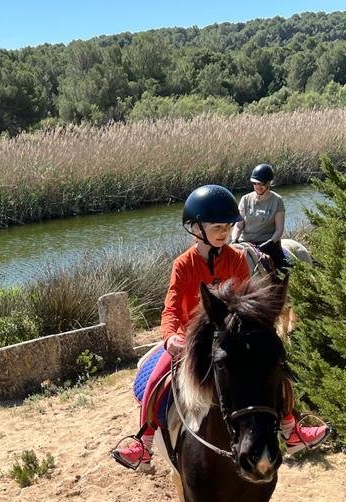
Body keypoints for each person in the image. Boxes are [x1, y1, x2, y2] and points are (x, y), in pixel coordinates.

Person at [110, 183, 328, 470]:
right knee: (156, 380)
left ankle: (291, 428)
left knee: (275, 372)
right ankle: (144, 442)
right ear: (196, 228)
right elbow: (172, 307)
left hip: (230, 338)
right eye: (217, 227)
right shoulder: (183, 265)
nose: (225, 232)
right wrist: (169, 338)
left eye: (228, 226)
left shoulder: (237, 258)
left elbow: (245, 299)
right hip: (192, 338)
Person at [231, 163, 290, 272]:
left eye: (261, 183)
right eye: (254, 183)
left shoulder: (277, 201)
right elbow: (238, 226)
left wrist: (270, 243)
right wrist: (234, 239)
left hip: (267, 243)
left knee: (281, 271)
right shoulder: (245, 199)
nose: (257, 186)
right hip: (246, 243)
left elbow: (279, 229)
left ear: (268, 183)